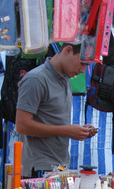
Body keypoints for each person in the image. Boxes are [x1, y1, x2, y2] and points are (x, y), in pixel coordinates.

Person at [16, 43, 98, 178]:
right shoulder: (36, 79)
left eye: (87, 66)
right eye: (82, 63)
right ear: (68, 50)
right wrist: (67, 131)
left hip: (59, 166)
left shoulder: (65, 79)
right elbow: (22, 125)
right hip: (38, 170)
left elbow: (54, 121)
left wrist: (81, 131)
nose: (83, 70)